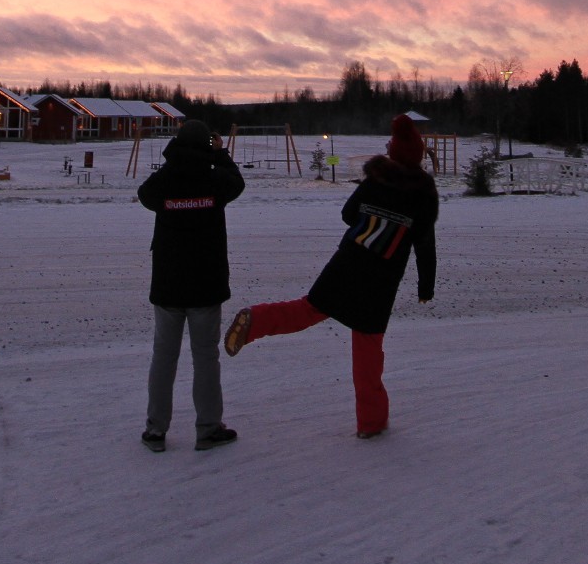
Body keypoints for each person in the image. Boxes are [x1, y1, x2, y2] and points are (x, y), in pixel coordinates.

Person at [223, 114, 437, 439]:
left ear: (393, 151)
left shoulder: (375, 178)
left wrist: (370, 219)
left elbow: (348, 214)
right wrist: (426, 285)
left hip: (348, 263)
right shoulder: (423, 191)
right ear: (418, 155)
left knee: (306, 310)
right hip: (381, 279)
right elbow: (425, 242)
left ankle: (257, 320)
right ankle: (371, 423)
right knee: (367, 352)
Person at [136, 118, 244, 452]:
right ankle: (208, 428)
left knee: (163, 358)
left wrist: (174, 161)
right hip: (205, 285)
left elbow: (145, 194)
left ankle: (156, 430)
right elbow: (237, 184)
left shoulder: (165, 180)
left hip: (169, 284)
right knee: (205, 358)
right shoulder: (214, 179)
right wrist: (220, 155)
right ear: (206, 146)